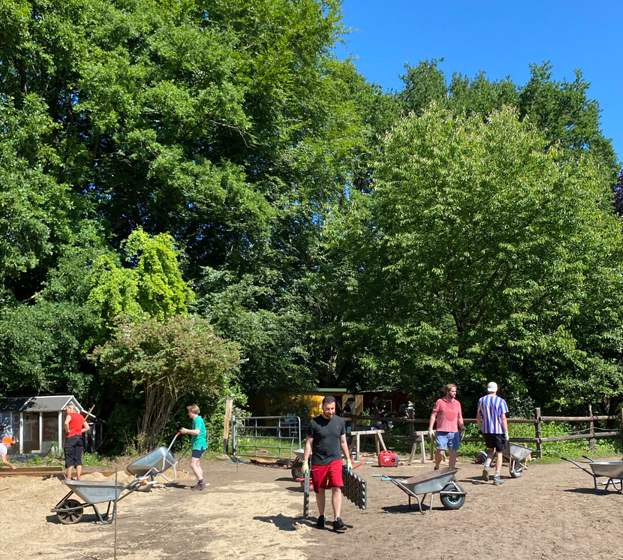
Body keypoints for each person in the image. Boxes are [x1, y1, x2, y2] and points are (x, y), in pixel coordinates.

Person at [302, 396, 352, 531]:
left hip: (335, 459)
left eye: (333, 409)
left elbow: (343, 442)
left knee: (337, 487)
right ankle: (321, 516)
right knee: (320, 489)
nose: (330, 411)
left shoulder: (339, 421)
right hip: (319, 460)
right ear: (323, 407)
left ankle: (337, 519)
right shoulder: (314, 423)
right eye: (328, 409)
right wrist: (305, 461)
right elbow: (308, 444)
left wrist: (348, 459)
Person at [477, 382, 509, 486]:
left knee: (491, 450)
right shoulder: (500, 401)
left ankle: (487, 465)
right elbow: (503, 418)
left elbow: (478, 416)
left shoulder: (481, 400)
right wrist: (506, 432)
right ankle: (496, 477)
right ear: (496, 389)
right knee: (499, 453)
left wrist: (479, 428)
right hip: (498, 430)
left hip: (486, 430)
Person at [429, 384, 464, 470]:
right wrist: (430, 428)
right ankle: (437, 467)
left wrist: (462, 428)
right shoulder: (440, 402)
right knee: (441, 451)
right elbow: (433, 415)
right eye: (453, 391)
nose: (455, 393)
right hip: (442, 431)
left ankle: (450, 471)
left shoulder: (457, 403)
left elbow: (459, 417)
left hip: (454, 432)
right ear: (447, 391)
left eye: (455, 391)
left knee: (453, 452)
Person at [180, 404, 207, 490]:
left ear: (192, 412)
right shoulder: (198, 419)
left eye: (189, 412)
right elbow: (203, 432)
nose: (188, 413)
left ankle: (201, 482)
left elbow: (197, 432)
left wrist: (186, 431)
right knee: (197, 464)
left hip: (199, 445)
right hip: (199, 444)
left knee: (192, 464)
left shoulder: (197, 420)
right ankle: (200, 482)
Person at [64, 404, 90, 481]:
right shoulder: (81, 416)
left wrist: (67, 430)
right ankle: (78, 477)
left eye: (66, 409)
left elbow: (66, 423)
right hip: (79, 438)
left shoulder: (70, 415)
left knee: (69, 457)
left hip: (71, 438)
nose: (66, 410)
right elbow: (87, 427)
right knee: (78, 458)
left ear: (70, 408)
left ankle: (68, 477)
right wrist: (79, 431)